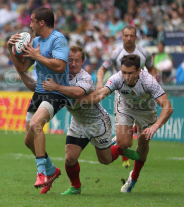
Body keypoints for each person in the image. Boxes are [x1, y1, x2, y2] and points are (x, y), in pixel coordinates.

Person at [17, 46, 139, 195]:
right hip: (78, 122)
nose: (73, 63)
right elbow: (38, 86)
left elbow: (77, 92)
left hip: (97, 122)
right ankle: (75, 186)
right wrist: (22, 71)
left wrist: (55, 87)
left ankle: (120, 149)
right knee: (70, 157)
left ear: (83, 61)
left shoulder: (85, 77)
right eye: (70, 60)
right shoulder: (60, 75)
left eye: (77, 60)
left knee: (105, 160)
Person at [78, 54, 173, 193]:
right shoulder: (117, 78)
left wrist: (155, 126)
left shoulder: (149, 81)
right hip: (125, 108)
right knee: (124, 144)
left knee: (143, 142)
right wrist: (78, 100)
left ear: (139, 71)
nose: (126, 77)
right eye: (124, 72)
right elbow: (100, 94)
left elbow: (168, 107)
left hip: (146, 111)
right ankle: (124, 137)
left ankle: (133, 177)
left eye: (130, 73)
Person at [7, 7, 71, 192]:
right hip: (40, 92)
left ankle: (42, 172)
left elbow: (60, 67)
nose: (30, 23)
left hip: (56, 92)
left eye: (32, 20)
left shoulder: (58, 39)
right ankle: (51, 170)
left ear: (41, 22)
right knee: (28, 141)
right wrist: (10, 49)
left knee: (36, 124)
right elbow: (22, 68)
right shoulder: (35, 41)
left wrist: (37, 56)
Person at [96, 25, 157, 167]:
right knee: (125, 140)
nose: (128, 38)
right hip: (122, 96)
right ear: (122, 37)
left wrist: (154, 82)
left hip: (142, 97)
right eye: (126, 35)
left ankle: (122, 145)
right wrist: (100, 82)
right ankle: (124, 154)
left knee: (141, 138)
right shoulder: (115, 53)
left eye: (131, 35)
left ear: (136, 37)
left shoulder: (145, 53)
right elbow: (102, 68)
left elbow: (152, 67)